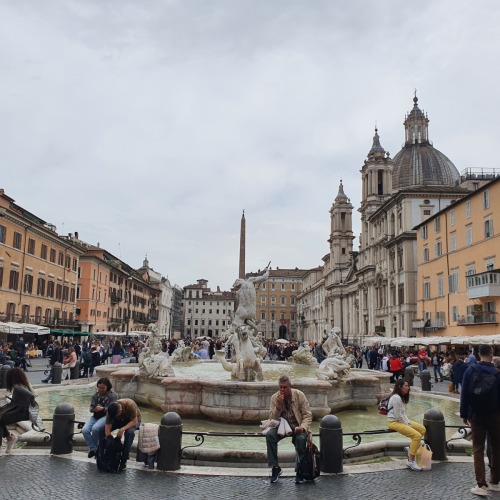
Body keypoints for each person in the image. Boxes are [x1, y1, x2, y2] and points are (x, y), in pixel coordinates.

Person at [460, 344, 500, 496]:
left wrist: (465, 414)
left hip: (476, 415)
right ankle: (495, 482)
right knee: (496, 447)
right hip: (495, 415)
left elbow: (464, 395)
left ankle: (481, 486)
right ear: (491, 355)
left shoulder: (470, 371)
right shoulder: (497, 373)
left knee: (478, 448)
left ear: (478, 355)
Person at [266, 375, 313, 484]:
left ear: (290, 386)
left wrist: (303, 427)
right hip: (282, 428)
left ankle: (300, 470)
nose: (282, 390)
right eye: (280, 387)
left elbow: (307, 415)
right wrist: (278, 406)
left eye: (285, 387)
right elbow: (272, 419)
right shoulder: (275, 397)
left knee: (301, 439)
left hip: (298, 427)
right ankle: (275, 468)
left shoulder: (299, 395)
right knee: (270, 435)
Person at [386, 379, 425, 471]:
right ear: (400, 387)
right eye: (406, 386)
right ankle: (411, 461)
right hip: (393, 422)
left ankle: (410, 449)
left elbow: (403, 414)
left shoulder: (401, 397)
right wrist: (407, 424)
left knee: (422, 429)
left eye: (408, 386)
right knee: (417, 436)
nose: (408, 388)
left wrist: (408, 423)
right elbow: (398, 415)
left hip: (400, 420)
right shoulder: (396, 397)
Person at [0, 368, 36, 453]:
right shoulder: (23, 385)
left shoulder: (17, 387)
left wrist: (33, 411)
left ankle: (5, 442)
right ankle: (9, 438)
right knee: (0, 421)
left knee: (0, 420)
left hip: (21, 412)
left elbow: (31, 396)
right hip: (21, 411)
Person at [82, 378, 118, 459]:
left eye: (103, 388)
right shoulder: (95, 395)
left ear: (108, 387)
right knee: (85, 430)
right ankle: (93, 449)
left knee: (95, 428)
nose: (101, 390)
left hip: (106, 416)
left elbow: (112, 409)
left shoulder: (113, 395)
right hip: (95, 416)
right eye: (99, 388)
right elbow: (91, 408)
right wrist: (92, 409)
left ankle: (99, 449)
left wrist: (102, 409)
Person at [102, 399, 141, 471]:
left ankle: (124, 459)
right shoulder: (111, 410)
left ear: (120, 411)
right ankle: (103, 454)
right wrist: (111, 441)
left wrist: (122, 430)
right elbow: (108, 425)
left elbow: (134, 421)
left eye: (116, 416)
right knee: (101, 430)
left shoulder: (130, 405)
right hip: (118, 421)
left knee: (129, 433)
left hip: (132, 420)